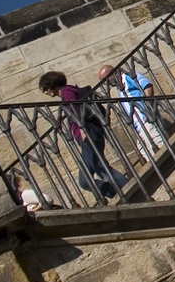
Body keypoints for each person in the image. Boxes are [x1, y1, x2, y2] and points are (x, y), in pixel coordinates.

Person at [39, 71, 128, 201]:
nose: (46, 92)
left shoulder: (66, 92)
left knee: (101, 168)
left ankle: (129, 188)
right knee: (84, 181)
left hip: (88, 133)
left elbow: (77, 113)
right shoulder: (68, 91)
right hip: (86, 135)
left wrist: (84, 132)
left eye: (45, 89)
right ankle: (116, 192)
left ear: (51, 84)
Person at [99, 64, 165, 163]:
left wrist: (147, 108)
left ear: (112, 73)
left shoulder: (128, 76)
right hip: (139, 126)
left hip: (146, 119)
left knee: (159, 141)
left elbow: (147, 86)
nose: (107, 84)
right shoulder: (121, 93)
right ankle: (158, 166)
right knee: (143, 148)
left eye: (106, 80)